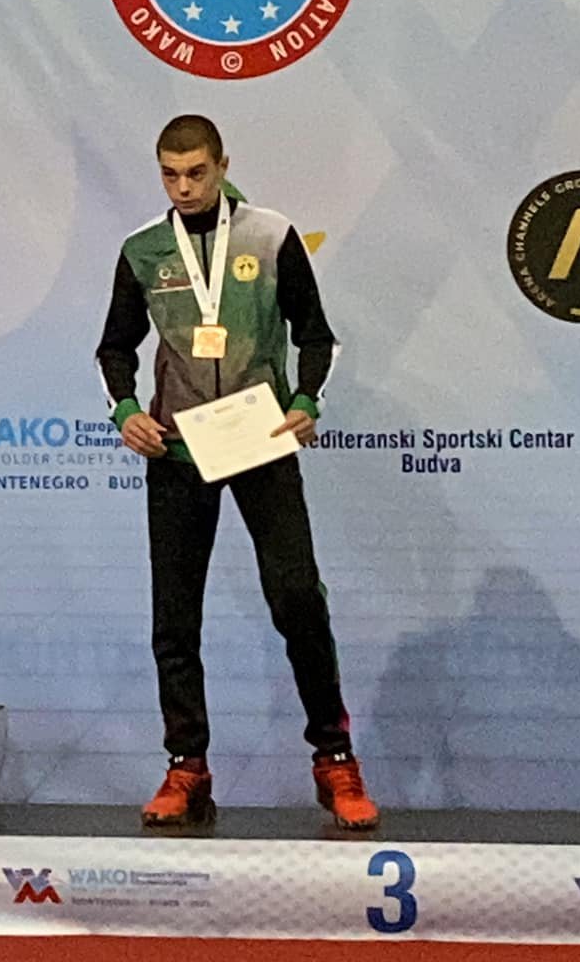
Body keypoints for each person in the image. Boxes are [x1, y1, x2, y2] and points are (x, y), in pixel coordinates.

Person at [95, 114, 379, 829]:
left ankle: (334, 758)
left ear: (223, 166)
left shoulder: (270, 235)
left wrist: (307, 401)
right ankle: (186, 765)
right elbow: (115, 348)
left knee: (297, 598)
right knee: (175, 617)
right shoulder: (143, 249)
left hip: (261, 440)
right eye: (170, 174)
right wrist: (125, 410)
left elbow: (317, 336)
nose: (183, 187)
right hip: (178, 449)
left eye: (196, 172)